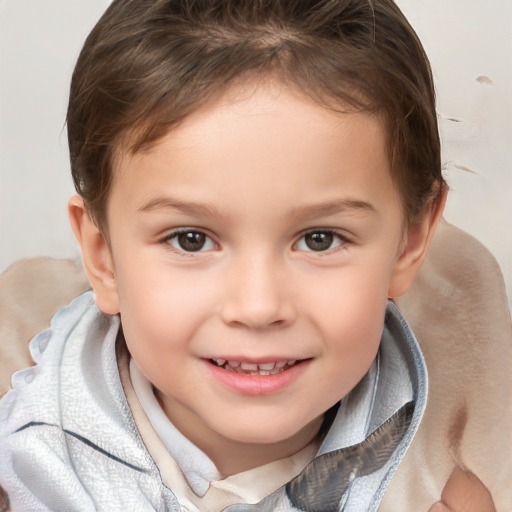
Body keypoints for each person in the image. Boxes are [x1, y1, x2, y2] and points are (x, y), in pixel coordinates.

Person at [0, 0, 497, 510]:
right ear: (102, 256)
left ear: (408, 243)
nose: (258, 307)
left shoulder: (456, 472)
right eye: (190, 239)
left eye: (320, 239)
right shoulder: (26, 459)